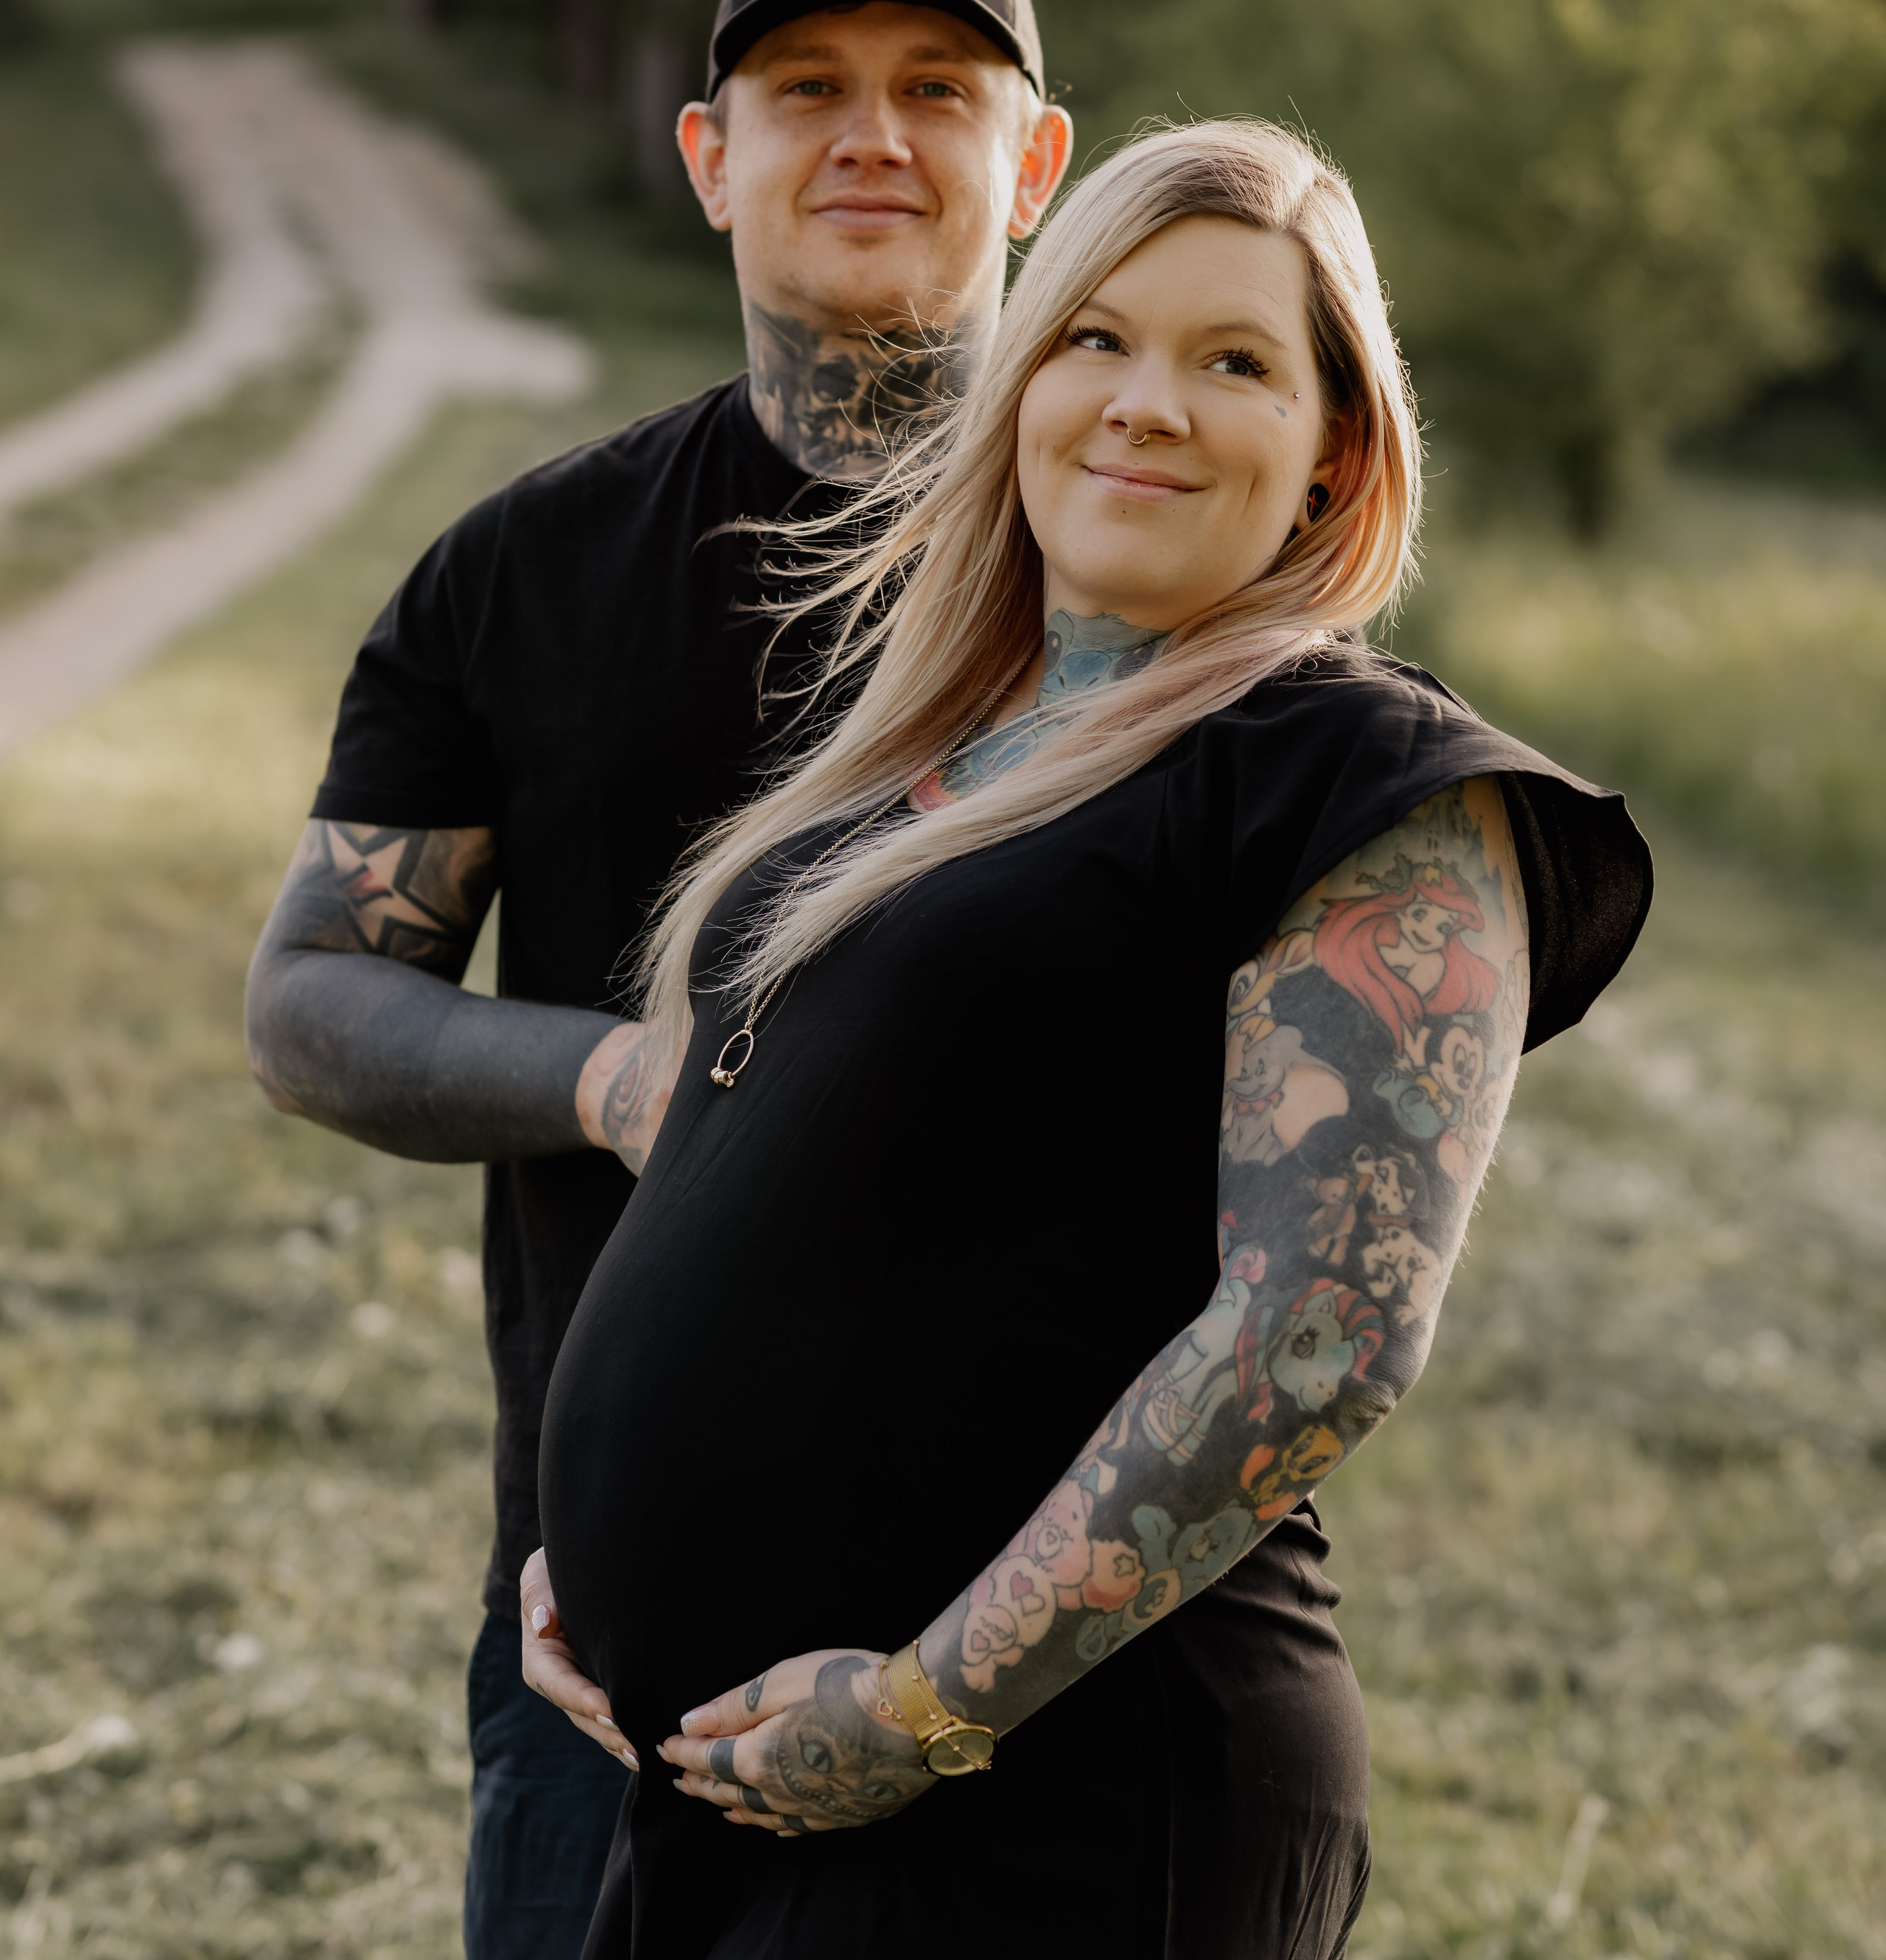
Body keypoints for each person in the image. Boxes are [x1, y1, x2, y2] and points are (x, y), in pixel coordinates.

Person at [533, 117, 1652, 1960]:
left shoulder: (1354, 776)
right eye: (1093, 337)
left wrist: (917, 1713)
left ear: (1329, 455)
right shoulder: (915, 768)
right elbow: (792, 1199)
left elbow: (1323, 1335)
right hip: (731, 1773)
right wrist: (601, 1554)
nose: (1146, 402)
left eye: (1233, 362)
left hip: (1048, 1797)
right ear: (1019, 379)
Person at [242, 0, 1074, 1960]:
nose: (871, 133)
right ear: (711, 158)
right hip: (606, 1631)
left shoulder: (1138, 567)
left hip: (1057, 1617)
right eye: (806, 88)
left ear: (1034, 163)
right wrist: (621, 1077)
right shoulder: (520, 574)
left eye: (937, 89)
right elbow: (315, 998)